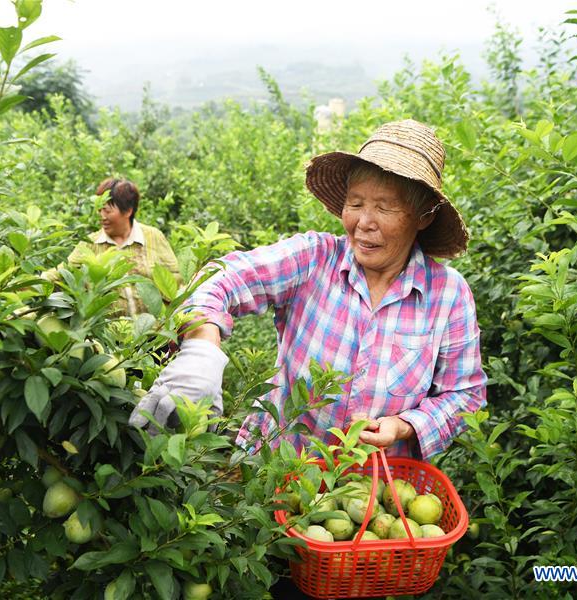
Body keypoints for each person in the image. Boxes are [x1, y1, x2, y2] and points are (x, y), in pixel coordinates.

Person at [128, 120, 487, 460]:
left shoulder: (448, 296)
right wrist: (201, 350)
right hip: (274, 476)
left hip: (372, 493)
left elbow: (465, 395)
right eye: (356, 203)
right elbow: (221, 278)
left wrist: (405, 425)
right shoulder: (314, 259)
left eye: (385, 207)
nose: (364, 222)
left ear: (423, 217)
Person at [45, 177, 180, 316]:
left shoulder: (153, 237)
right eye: (100, 210)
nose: (102, 216)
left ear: (128, 210)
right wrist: (32, 285)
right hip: (107, 335)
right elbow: (61, 274)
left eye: (107, 211)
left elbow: (176, 280)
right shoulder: (90, 243)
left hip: (155, 332)